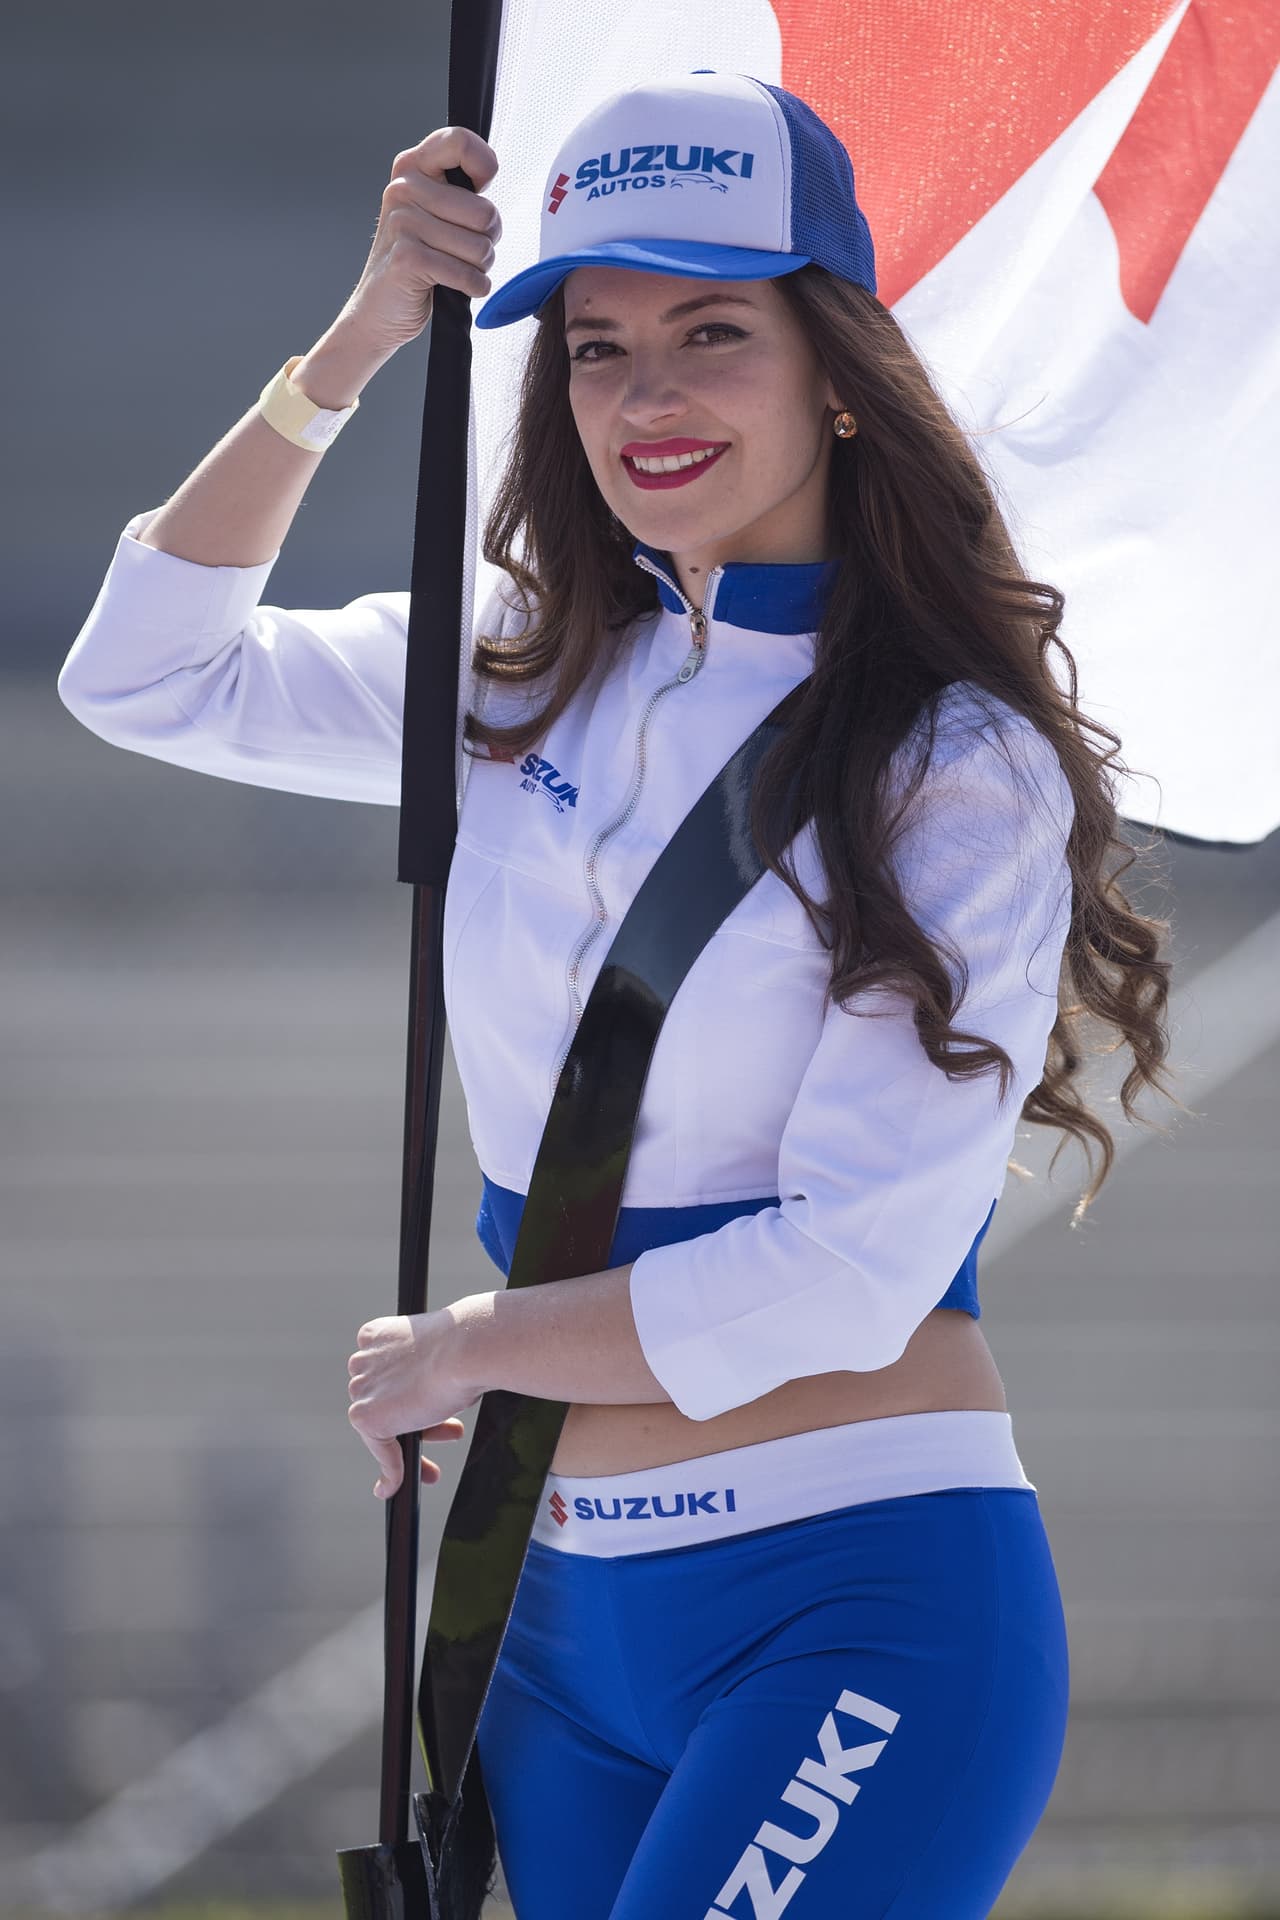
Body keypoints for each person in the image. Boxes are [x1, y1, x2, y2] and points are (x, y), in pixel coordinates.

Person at [59, 69, 1175, 1920]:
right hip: (554, 1626)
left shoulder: (950, 760)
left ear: (836, 371)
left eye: (711, 333)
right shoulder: (516, 672)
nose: (647, 398)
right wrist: (358, 341)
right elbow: (144, 676)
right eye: (596, 348)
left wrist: (473, 1346)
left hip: (853, 1599)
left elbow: (854, 1266)